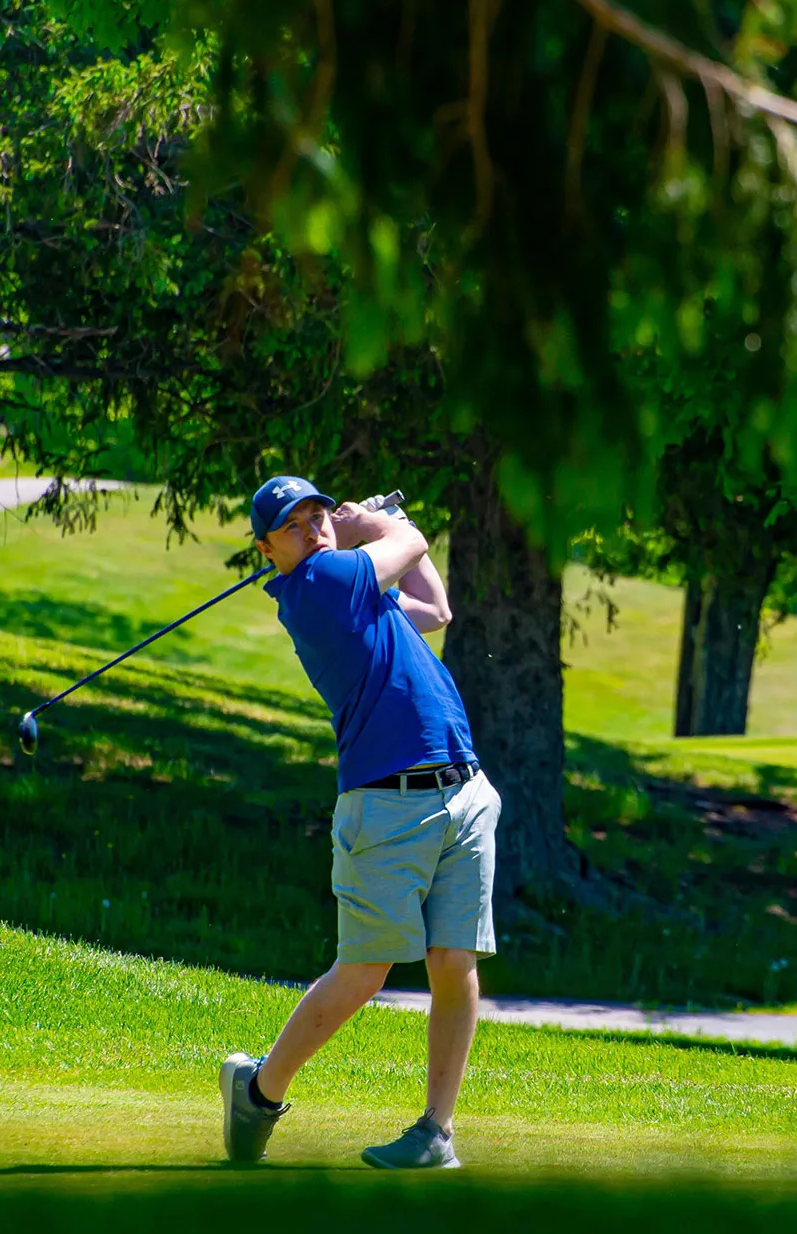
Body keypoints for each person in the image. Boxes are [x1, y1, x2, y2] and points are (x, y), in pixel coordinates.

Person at [219, 475, 501, 1170]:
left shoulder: (356, 588)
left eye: (318, 515)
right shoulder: (318, 584)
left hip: (463, 787)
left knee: (454, 962)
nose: (312, 529)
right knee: (365, 971)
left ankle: (436, 1132)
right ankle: (258, 1091)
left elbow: (436, 608)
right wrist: (371, 525)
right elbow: (411, 542)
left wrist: (381, 527)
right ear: (268, 551)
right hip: (386, 802)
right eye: (293, 525)